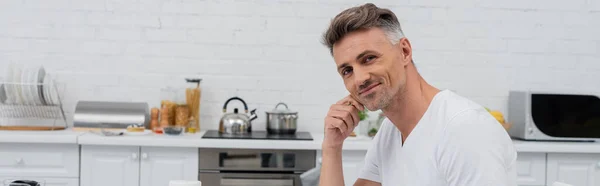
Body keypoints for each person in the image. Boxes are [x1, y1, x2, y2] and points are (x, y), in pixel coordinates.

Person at [319, 3, 517, 186]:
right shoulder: (390, 131)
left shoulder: (464, 129)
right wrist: (331, 147)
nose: (359, 79)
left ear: (404, 51)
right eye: (347, 71)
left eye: (369, 58)